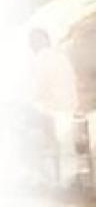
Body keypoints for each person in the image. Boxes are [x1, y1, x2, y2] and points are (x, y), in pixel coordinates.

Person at [22, 28, 79, 185]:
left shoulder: (41, 59)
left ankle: (42, 176)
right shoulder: (61, 57)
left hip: (52, 109)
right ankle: (67, 179)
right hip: (69, 108)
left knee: (28, 132)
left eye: (32, 43)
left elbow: (37, 89)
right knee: (66, 147)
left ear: (36, 43)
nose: (31, 47)